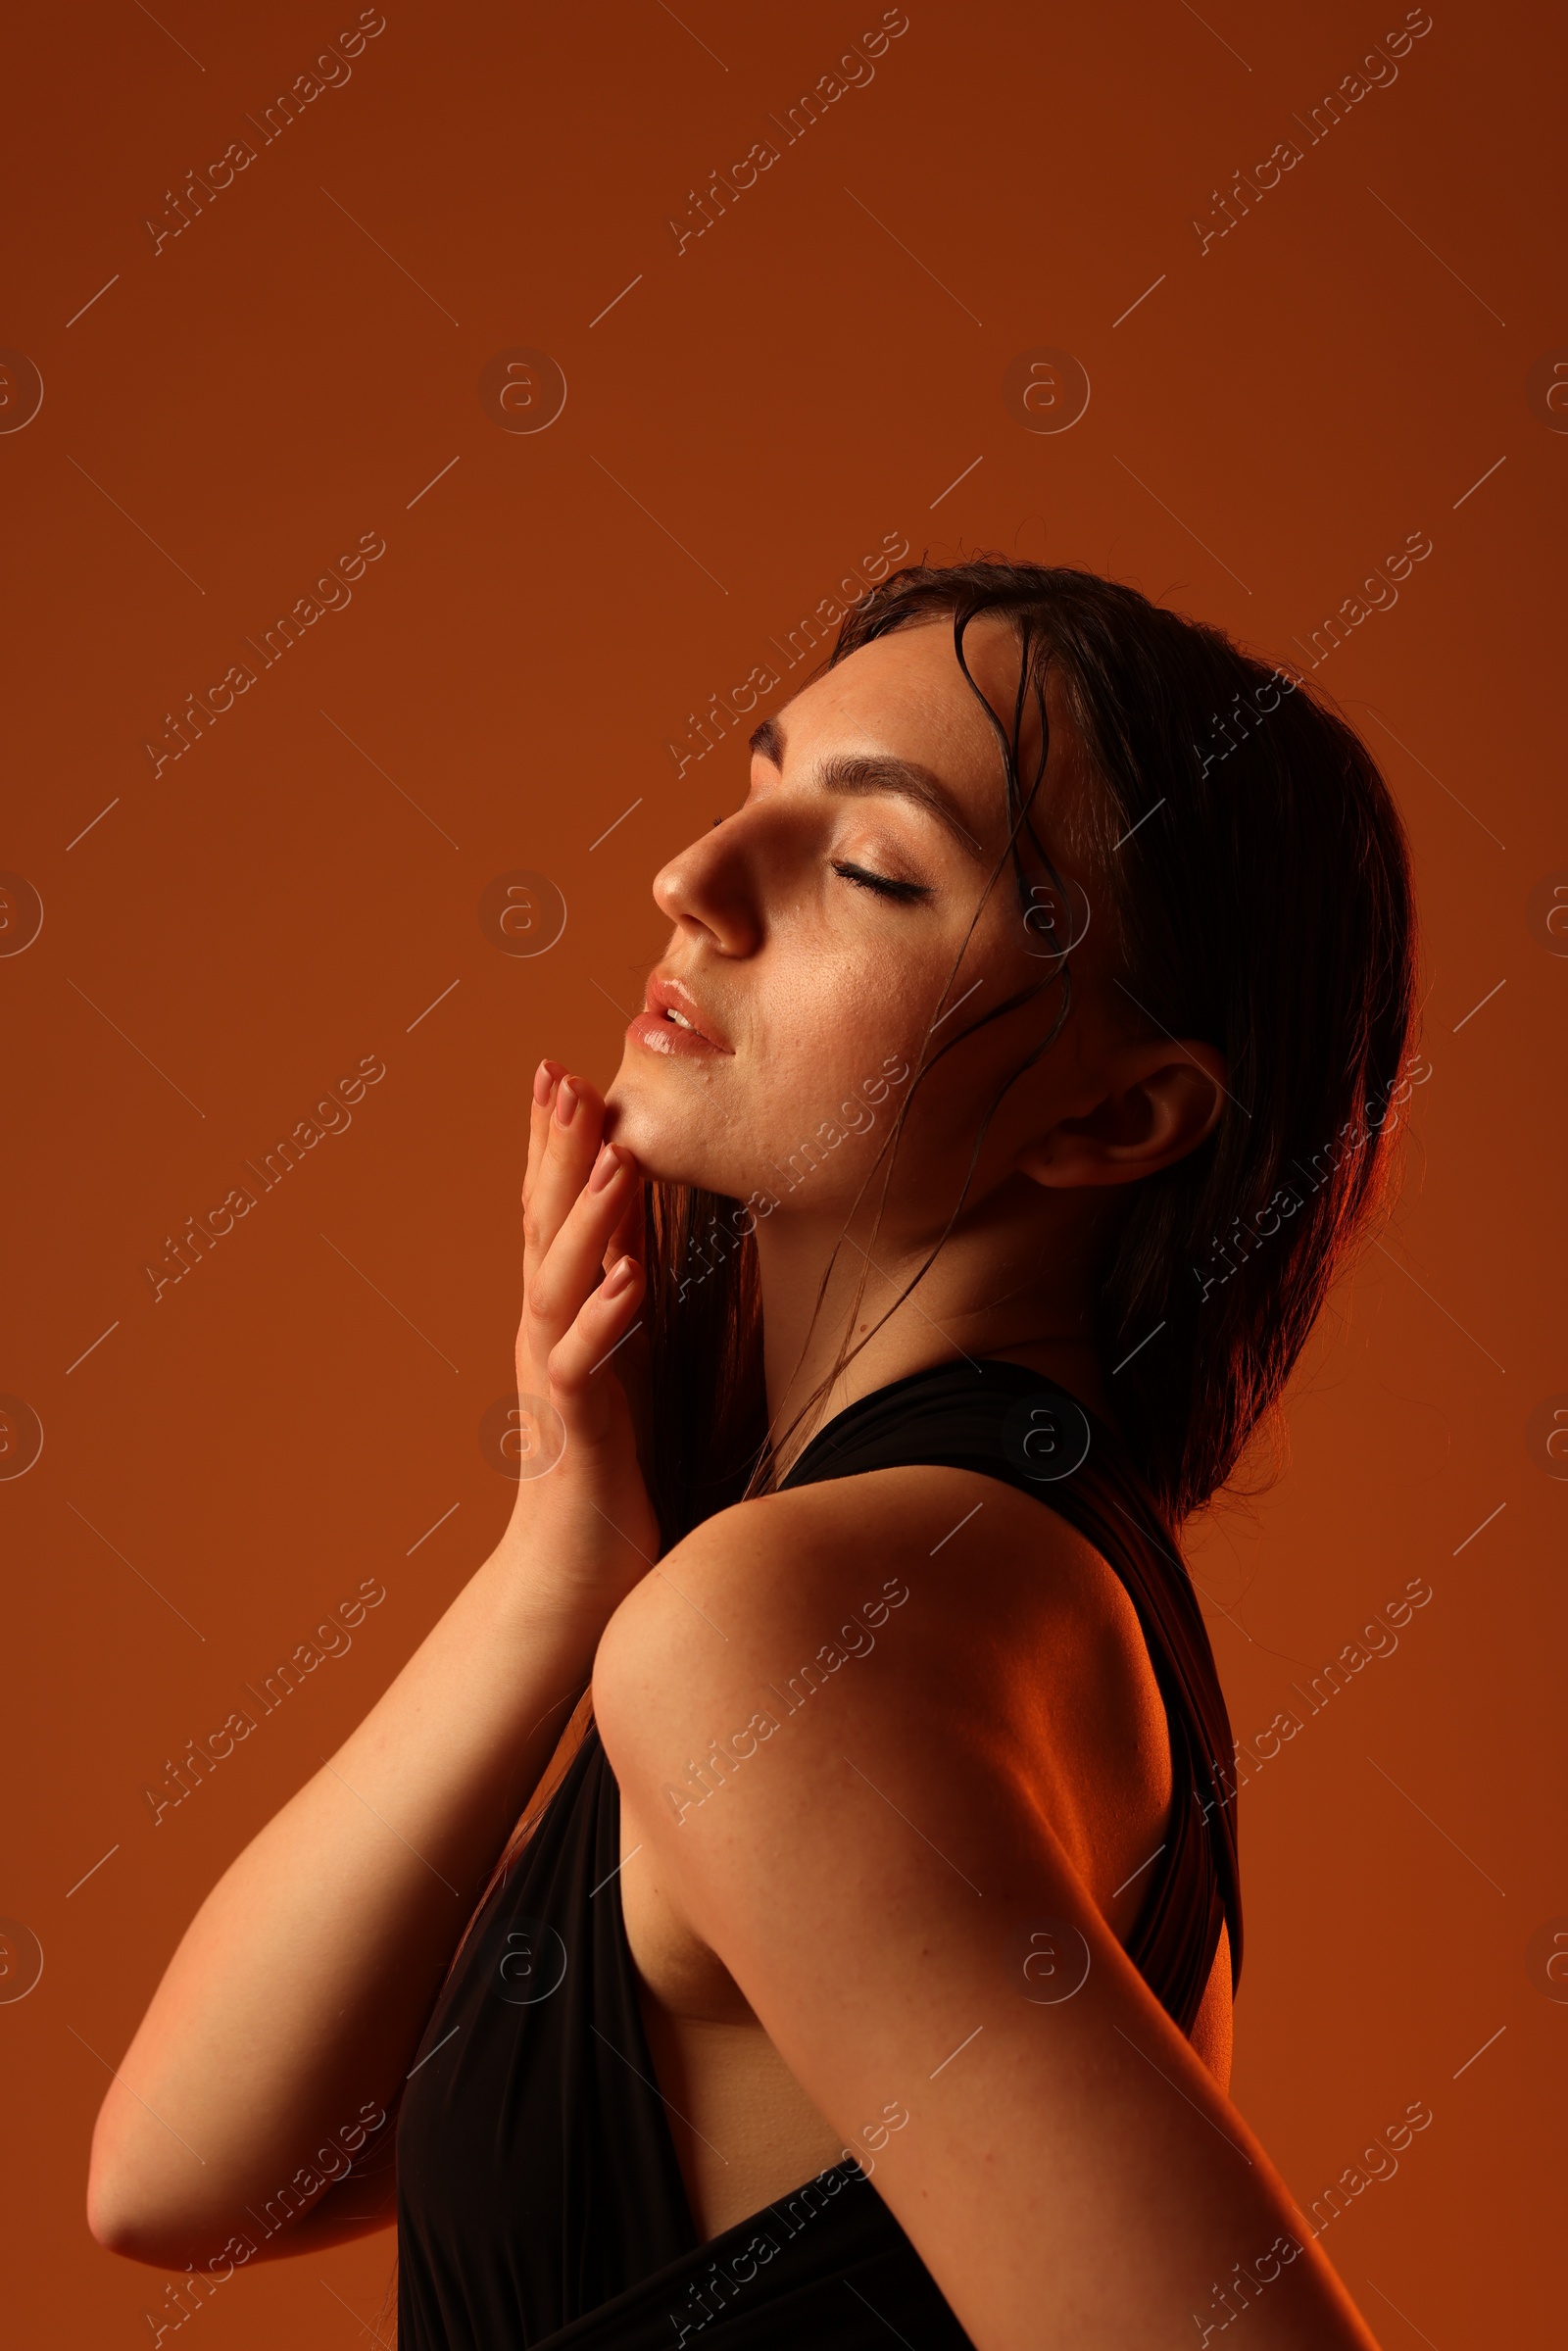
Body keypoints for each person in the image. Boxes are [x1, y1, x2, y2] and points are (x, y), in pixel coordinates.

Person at [87, 560, 1416, 2348]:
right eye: (757, 787)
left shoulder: (807, 1627)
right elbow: (182, 2177)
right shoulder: (935, 1585)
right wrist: (559, 1559)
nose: (694, 882)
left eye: (869, 865)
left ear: (1119, 1112)